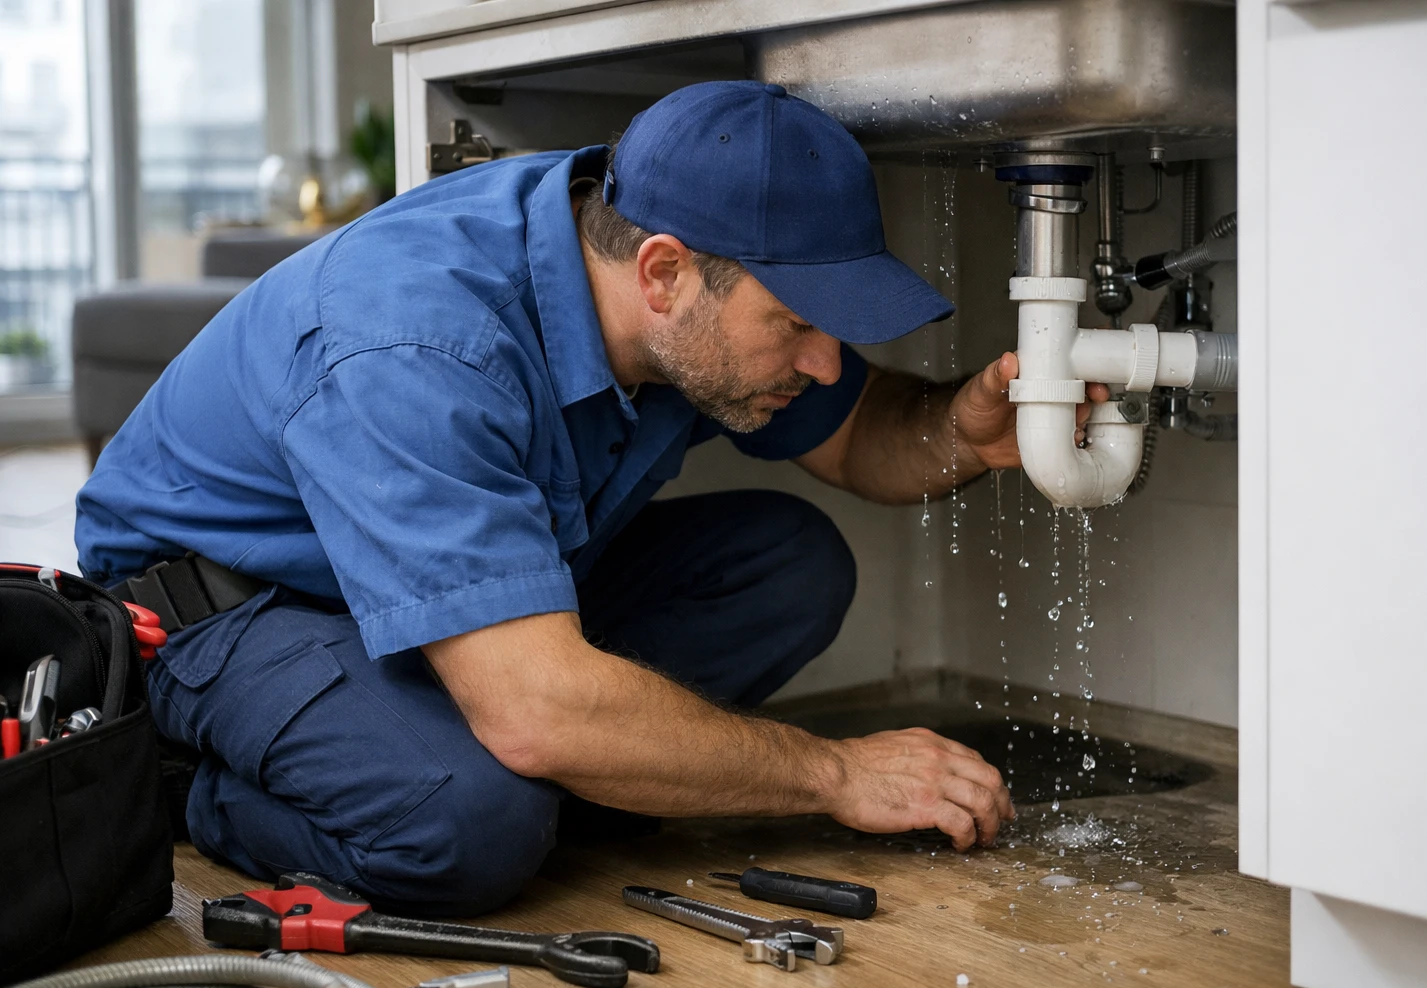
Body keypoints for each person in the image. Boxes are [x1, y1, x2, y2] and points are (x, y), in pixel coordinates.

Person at [76, 81, 1104, 916]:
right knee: (470, 824)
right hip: (230, 611)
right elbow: (533, 713)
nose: (827, 360)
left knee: (790, 563)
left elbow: (858, 434)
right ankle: (190, 782)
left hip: (426, 596)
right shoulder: (418, 344)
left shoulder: (649, 278)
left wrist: (959, 431)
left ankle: (555, 763)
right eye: (796, 322)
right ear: (665, 274)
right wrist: (837, 774)